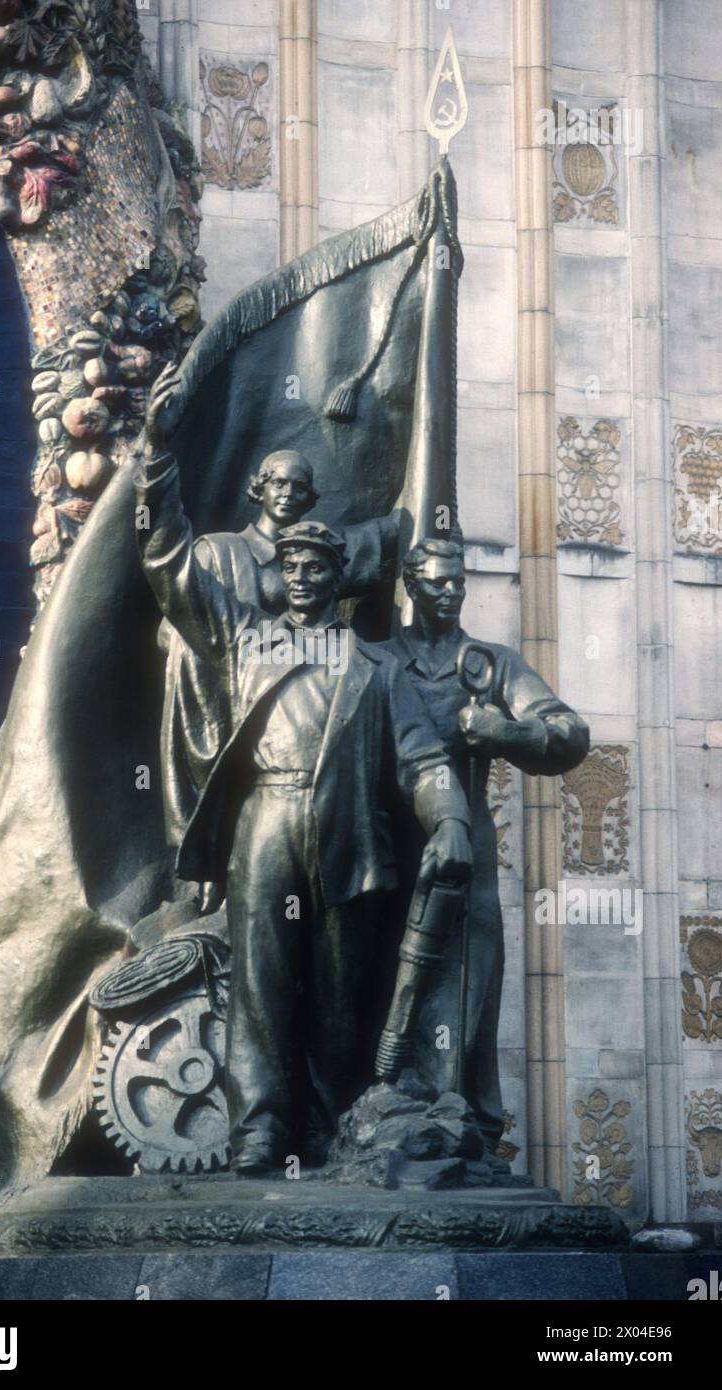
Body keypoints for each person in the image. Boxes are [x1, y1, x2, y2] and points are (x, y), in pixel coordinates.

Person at [135, 367, 473, 1174]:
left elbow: (425, 758)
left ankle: (325, 1131)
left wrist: (451, 817)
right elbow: (166, 561)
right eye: (292, 569)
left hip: (349, 837)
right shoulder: (242, 643)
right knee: (260, 987)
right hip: (267, 825)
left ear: (338, 581)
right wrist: (156, 452)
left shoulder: (377, 669)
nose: (304, 579)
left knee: (338, 993)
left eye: (319, 570)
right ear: (280, 576)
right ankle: (260, 1127)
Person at [382, 535, 589, 1151]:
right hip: (389, 842)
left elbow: (569, 732)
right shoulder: (379, 658)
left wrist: (506, 731)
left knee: (469, 978)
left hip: (465, 842)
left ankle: (459, 1116)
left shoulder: (490, 664)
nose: (450, 592)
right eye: (437, 582)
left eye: (458, 582)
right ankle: (383, 1106)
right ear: (412, 587)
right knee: (380, 983)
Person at [158, 447, 400, 911]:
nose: (288, 493)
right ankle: (204, 853)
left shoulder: (320, 554)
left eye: (299, 487)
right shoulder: (218, 552)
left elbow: (390, 536)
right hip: (227, 704)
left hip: (300, 725)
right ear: (258, 488)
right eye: (278, 482)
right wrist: (243, 660)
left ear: (311, 498)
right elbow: (173, 634)